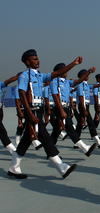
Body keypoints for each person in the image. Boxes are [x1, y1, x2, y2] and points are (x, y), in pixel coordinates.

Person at [8, 49, 80, 179]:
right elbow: (22, 95)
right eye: (35, 59)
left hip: (38, 109)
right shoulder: (24, 76)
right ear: (28, 62)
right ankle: (61, 167)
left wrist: (73, 63)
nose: (38, 61)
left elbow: (57, 73)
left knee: (26, 140)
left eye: (37, 58)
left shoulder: (39, 76)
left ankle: (14, 167)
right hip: (32, 110)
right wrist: (29, 114)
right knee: (46, 138)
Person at [49, 63, 97, 156]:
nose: (66, 71)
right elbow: (55, 97)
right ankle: (84, 148)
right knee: (69, 128)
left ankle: (50, 152)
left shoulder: (67, 82)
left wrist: (89, 72)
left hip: (66, 107)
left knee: (56, 131)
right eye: (64, 69)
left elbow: (79, 80)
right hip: (60, 108)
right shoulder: (55, 82)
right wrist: (61, 111)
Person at [76, 69, 100, 148]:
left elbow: (97, 85)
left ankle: (76, 142)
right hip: (83, 105)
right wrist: (84, 109)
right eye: (86, 75)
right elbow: (81, 97)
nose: (88, 76)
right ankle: (97, 141)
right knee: (90, 122)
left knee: (80, 124)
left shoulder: (86, 85)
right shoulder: (80, 85)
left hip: (86, 105)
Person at [0, 73, 21, 155]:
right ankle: (13, 151)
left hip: (0, 110)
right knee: (2, 132)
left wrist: (18, 77)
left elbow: (8, 81)